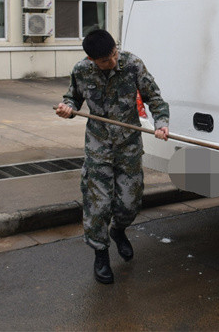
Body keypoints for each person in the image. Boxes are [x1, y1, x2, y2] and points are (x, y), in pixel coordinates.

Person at [56, 29, 169, 284]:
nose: (113, 61)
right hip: (98, 147)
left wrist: (161, 123)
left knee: (130, 202)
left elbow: (155, 98)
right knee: (98, 204)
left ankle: (119, 230)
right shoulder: (81, 70)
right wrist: (68, 109)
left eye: (114, 54)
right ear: (91, 59)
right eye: (106, 60)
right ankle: (101, 252)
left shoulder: (132, 64)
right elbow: (72, 98)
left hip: (128, 146)